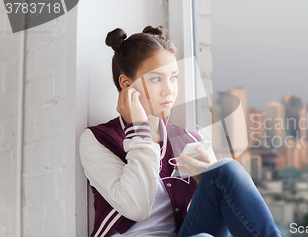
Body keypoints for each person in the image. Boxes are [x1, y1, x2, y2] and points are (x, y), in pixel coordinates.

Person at [79, 25, 283, 237]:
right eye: (156, 79)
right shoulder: (98, 139)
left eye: (173, 77)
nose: (169, 89)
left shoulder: (189, 140)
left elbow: (221, 214)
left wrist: (205, 179)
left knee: (225, 170)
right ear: (126, 83)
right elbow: (137, 207)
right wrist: (139, 130)